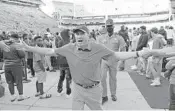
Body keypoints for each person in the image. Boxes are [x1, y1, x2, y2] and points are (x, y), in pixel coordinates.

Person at [17, 25, 149, 110]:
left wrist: (137, 53)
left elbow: (116, 55)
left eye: (81, 33)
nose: (78, 36)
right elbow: (49, 51)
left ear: (88, 35)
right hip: (77, 88)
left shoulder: (97, 47)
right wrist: (29, 48)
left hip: (93, 90)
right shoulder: (69, 47)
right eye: (76, 34)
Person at [97, 19, 126, 104]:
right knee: (102, 78)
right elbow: (97, 49)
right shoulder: (101, 38)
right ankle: (104, 95)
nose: (109, 27)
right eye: (107, 26)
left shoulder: (119, 38)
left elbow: (123, 49)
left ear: (113, 26)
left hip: (114, 61)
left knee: (113, 78)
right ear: (105, 27)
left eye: (110, 26)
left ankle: (113, 94)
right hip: (104, 60)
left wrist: (122, 61)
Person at [3, 33, 29, 102]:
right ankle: (21, 95)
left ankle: (12, 96)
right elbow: (22, 55)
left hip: (6, 65)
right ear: (17, 39)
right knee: (18, 81)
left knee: (10, 81)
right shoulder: (17, 45)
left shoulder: (4, 45)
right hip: (16, 65)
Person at [56, 29, 72, 98]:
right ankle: (68, 93)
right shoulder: (69, 42)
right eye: (68, 33)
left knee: (61, 77)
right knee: (68, 78)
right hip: (67, 62)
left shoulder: (60, 42)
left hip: (61, 62)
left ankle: (59, 90)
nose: (70, 33)